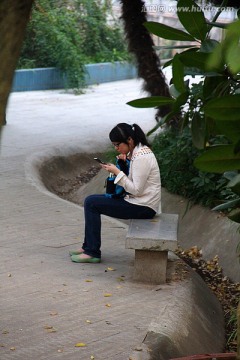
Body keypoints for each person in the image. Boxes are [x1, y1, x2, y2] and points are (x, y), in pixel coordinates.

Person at [69, 122, 161, 263]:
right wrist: (124, 164)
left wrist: (117, 172)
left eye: (118, 145)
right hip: (138, 202)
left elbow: (137, 189)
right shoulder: (137, 152)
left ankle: (92, 252)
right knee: (91, 201)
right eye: (114, 145)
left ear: (129, 140)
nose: (116, 148)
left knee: (91, 203)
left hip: (144, 207)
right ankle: (88, 246)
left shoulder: (142, 157)